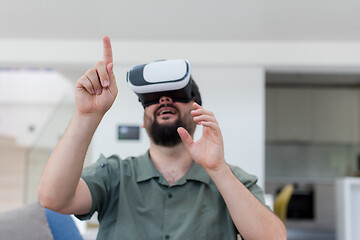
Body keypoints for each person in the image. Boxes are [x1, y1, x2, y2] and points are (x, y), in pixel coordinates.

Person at [38, 36, 286, 240]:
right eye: (152, 98)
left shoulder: (231, 180)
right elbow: (53, 198)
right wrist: (86, 114)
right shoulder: (114, 175)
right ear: (144, 119)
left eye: (176, 93)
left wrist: (218, 170)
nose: (164, 100)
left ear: (197, 109)